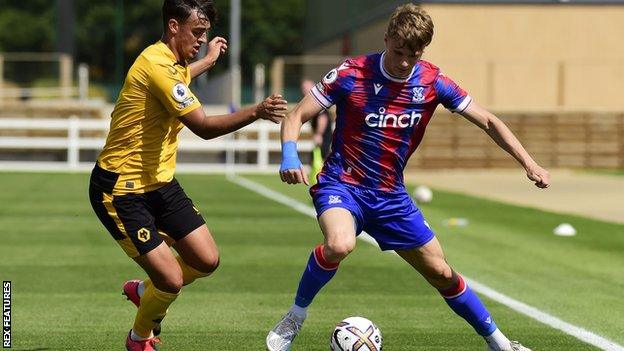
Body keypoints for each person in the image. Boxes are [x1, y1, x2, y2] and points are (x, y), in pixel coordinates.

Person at [266, 4, 549, 351]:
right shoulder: (351, 73)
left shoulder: (432, 81)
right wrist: (290, 154)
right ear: (386, 40)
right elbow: (296, 115)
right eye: (398, 52)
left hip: (390, 196)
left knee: (442, 273)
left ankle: (500, 344)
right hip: (343, 184)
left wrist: (529, 163)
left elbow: (488, 121)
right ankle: (295, 316)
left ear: (423, 51)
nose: (403, 62)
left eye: (412, 55)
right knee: (340, 244)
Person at [88, 1, 287, 350]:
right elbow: (204, 127)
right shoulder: (156, 65)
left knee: (206, 260)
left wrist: (206, 62)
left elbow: (179, 76)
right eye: (197, 31)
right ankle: (139, 338)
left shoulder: (171, 63)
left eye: (205, 32)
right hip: (120, 188)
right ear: (173, 25)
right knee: (172, 279)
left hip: (160, 183)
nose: (202, 38)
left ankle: (145, 293)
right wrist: (257, 110)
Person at [300, 79, 333, 183]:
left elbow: (322, 118)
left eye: (306, 88)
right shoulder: (313, 101)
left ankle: (322, 184)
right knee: (315, 161)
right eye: (303, 88)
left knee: (320, 162)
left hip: (324, 138)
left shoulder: (317, 100)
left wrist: (319, 134)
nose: (304, 91)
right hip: (323, 137)